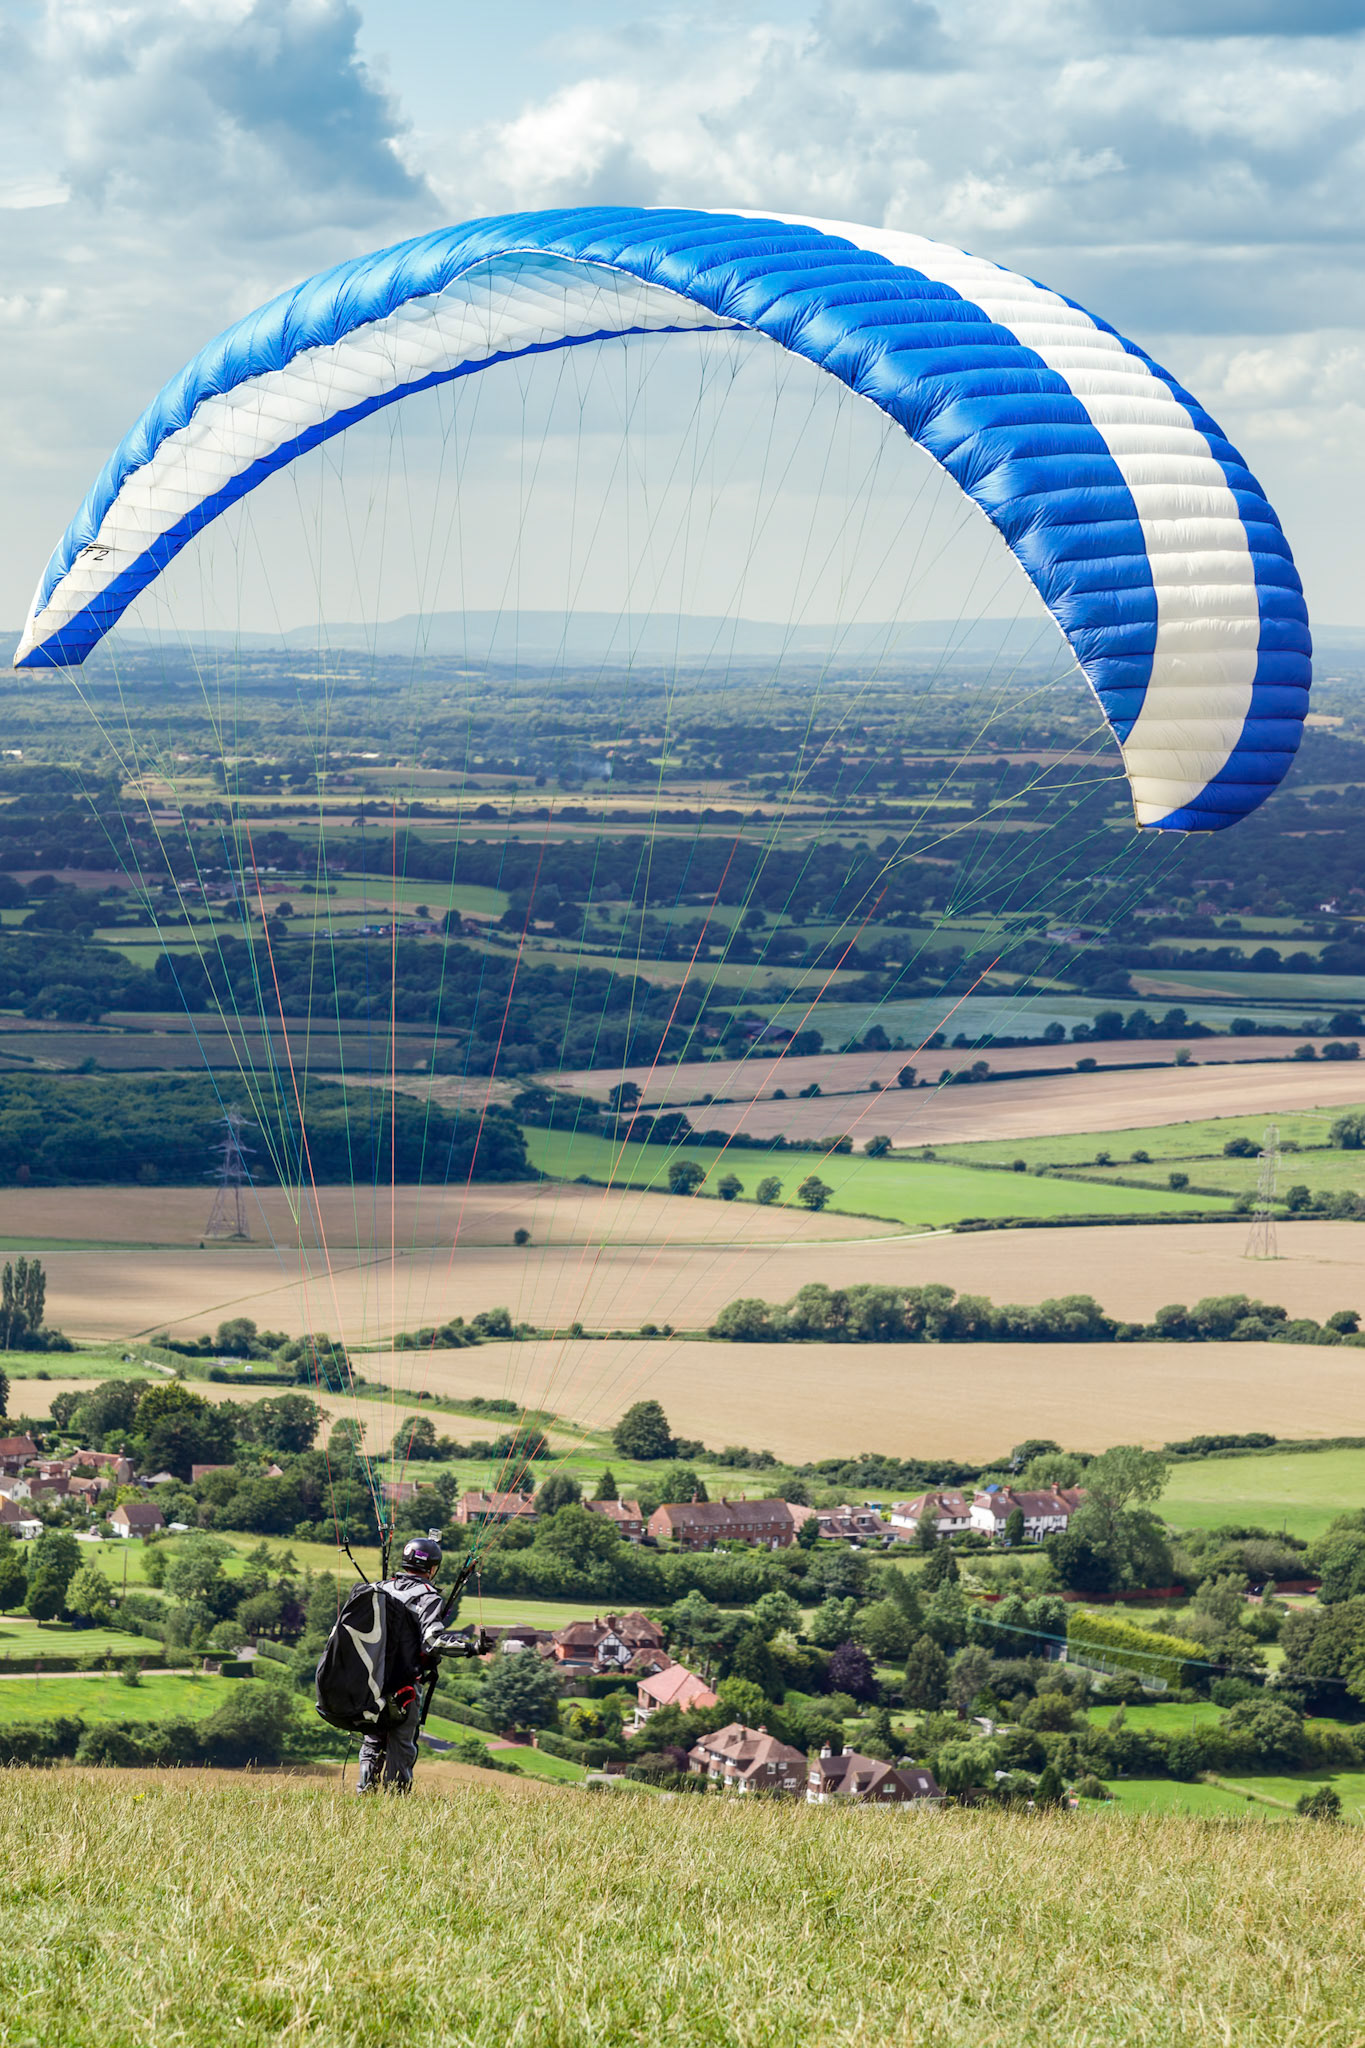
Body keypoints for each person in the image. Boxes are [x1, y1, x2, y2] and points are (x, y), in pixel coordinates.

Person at [356, 1535, 488, 1794]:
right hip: (403, 1684)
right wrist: (471, 1648)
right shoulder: (427, 1597)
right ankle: (395, 1801)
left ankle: (365, 1794)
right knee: (401, 1743)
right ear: (432, 1568)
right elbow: (433, 1642)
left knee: (373, 1739)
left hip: (370, 1683)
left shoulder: (378, 1588)